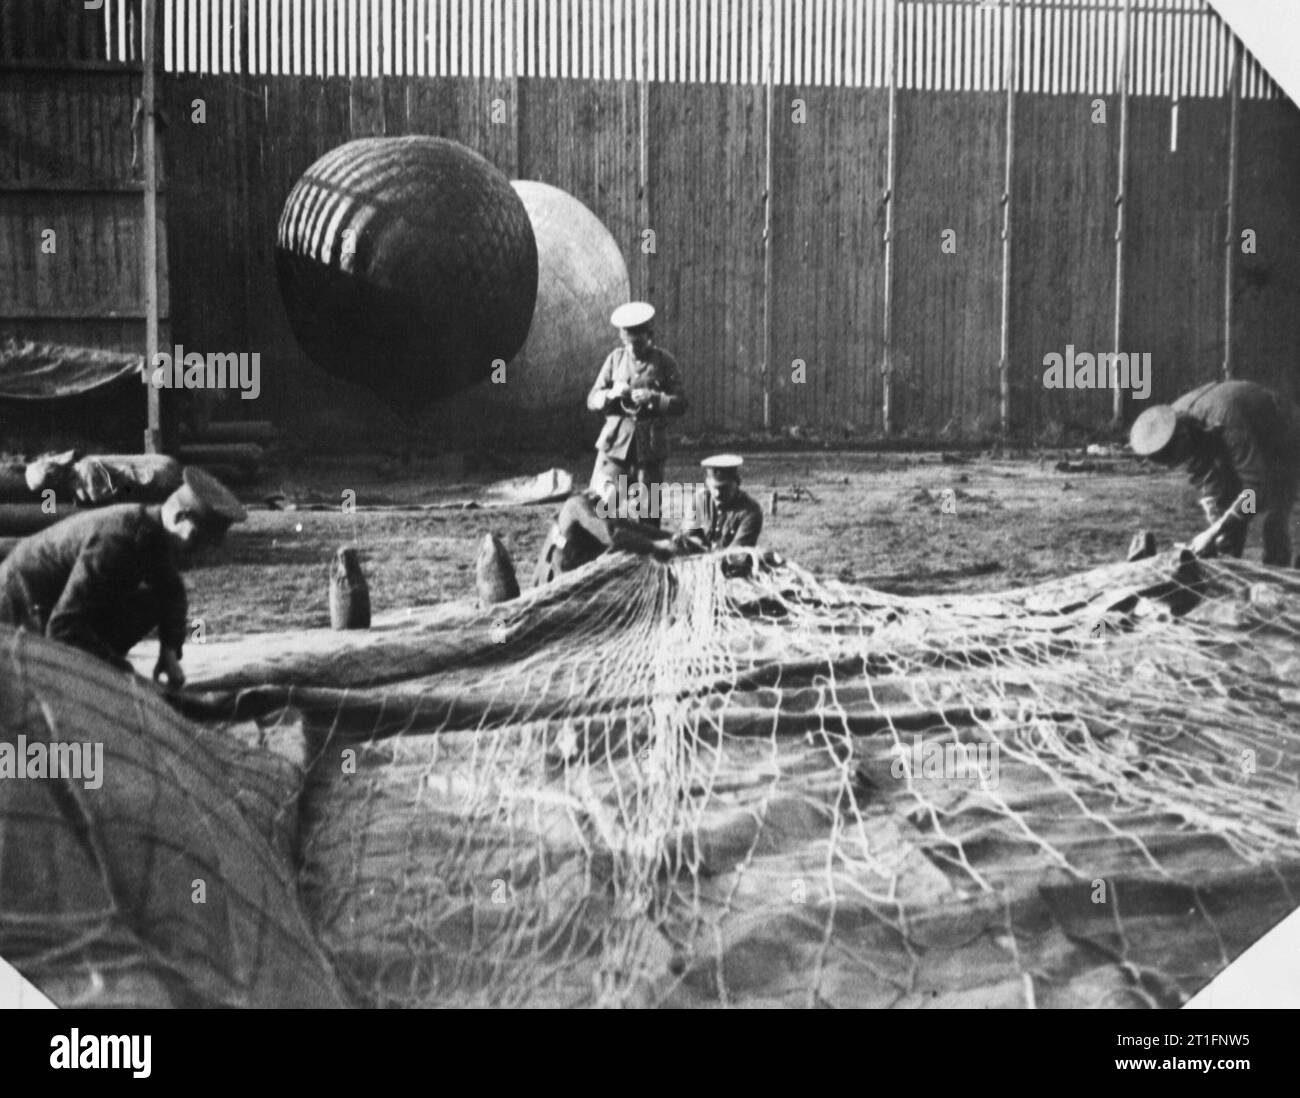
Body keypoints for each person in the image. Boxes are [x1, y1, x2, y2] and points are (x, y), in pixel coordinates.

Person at [0, 466, 247, 684]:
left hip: (54, 604)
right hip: (18, 607)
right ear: (179, 517)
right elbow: (63, 627)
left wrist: (169, 654)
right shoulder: (118, 542)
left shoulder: (151, 531)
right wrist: (122, 674)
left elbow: (171, 593)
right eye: (197, 540)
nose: (200, 551)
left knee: (154, 601)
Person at [1129, 379, 1300, 566]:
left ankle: (1279, 572)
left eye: (1179, 458)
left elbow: (1256, 492)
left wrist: (1214, 531)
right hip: (1241, 439)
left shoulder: (1227, 422)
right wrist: (1217, 524)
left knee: (1274, 518)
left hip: (1283, 438)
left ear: (1183, 435)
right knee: (1227, 523)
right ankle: (1228, 563)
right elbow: (1204, 476)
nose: (1180, 464)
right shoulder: (1169, 426)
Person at [586, 302, 687, 528]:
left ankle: (648, 548)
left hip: (649, 447)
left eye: (639, 344)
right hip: (616, 444)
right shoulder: (615, 359)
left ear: (649, 337)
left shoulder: (665, 362)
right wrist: (611, 393)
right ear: (622, 339)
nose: (633, 350)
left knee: (648, 511)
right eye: (628, 344)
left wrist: (655, 398)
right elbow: (592, 399)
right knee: (602, 504)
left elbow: (681, 403)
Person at [531, 478, 674, 588]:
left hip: (576, 570)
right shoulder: (578, 504)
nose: (618, 504)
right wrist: (654, 545)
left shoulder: (599, 506)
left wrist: (670, 536)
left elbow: (630, 527)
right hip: (560, 576)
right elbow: (611, 533)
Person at [672, 454, 764, 575]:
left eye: (724, 488)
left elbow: (736, 553)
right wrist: (694, 545)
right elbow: (690, 534)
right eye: (714, 488)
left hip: (732, 571)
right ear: (707, 484)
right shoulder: (699, 500)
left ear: (737, 483)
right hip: (698, 566)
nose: (717, 494)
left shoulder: (750, 510)